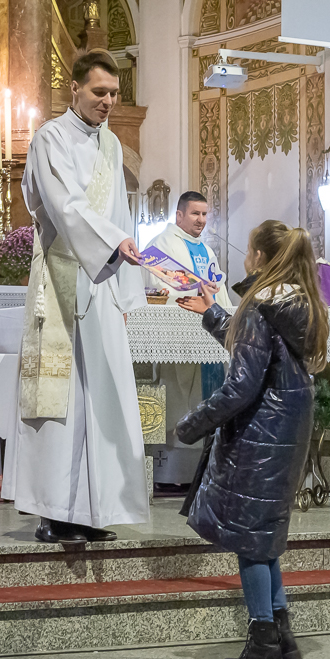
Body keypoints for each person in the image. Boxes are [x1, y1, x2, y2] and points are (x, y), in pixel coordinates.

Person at [0, 48, 147, 544]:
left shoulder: (112, 144)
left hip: (102, 279)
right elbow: (64, 205)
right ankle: (52, 511)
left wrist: (125, 294)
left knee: (99, 398)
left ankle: (91, 509)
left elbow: (121, 215)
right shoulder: (51, 138)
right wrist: (113, 243)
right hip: (61, 279)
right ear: (75, 89)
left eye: (114, 94)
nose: (108, 102)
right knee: (58, 402)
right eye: (99, 92)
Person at [175, 221, 329, 659]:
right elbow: (259, 350)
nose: (245, 256)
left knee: (250, 540)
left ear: (259, 258)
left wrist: (193, 424)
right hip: (287, 431)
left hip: (260, 433)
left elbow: (241, 384)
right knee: (264, 536)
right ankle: (281, 631)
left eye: (248, 250)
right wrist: (212, 312)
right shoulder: (298, 303)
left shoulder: (260, 306)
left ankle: (262, 640)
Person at [142, 191, 232, 488]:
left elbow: (218, 289)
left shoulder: (206, 250)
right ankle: (171, 475)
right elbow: (156, 287)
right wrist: (196, 294)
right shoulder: (160, 245)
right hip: (177, 336)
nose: (201, 220)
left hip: (207, 335)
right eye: (195, 213)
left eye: (205, 214)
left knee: (205, 398)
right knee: (178, 397)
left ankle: (204, 471)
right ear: (179, 215)